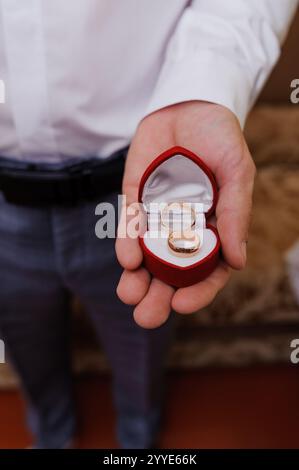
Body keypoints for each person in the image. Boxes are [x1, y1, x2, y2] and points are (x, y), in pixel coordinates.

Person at [0, 0, 297, 449]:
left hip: (139, 184)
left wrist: (204, 86)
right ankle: (51, 437)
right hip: (6, 204)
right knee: (30, 360)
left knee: (141, 353)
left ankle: (139, 441)